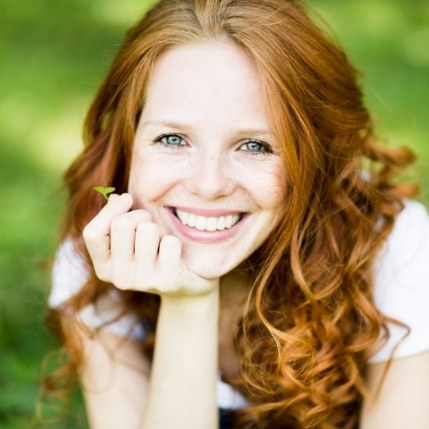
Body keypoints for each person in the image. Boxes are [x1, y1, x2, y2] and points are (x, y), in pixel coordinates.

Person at [45, 0, 429, 428]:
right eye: (173, 139)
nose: (209, 186)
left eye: (255, 146)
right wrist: (189, 301)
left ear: (314, 156)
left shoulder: (393, 247)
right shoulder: (97, 256)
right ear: (128, 140)